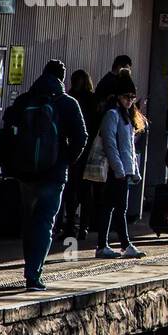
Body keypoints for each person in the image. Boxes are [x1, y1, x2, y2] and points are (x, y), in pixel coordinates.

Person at [2, 60, 88, 291]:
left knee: (29, 222)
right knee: (44, 222)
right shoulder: (68, 103)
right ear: (62, 78)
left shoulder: (24, 101)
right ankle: (33, 274)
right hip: (54, 174)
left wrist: (14, 162)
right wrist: (65, 161)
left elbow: (7, 128)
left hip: (25, 173)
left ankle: (29, 269)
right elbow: (81, 137)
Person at [96, 83, 146, 260]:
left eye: (132, 98)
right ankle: (123, 245)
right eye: (126, 97)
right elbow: (110, 144)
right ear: (118, 96)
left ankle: (105, 245)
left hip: (122, 169)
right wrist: (119, 168)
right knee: (118, 208)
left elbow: (129, 147)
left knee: (111, 207)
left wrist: (133, 170)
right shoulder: (112, 115)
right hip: (116, 169)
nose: (129, 101)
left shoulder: (126, 116)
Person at [58, 68, 96, 242]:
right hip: (87, 151)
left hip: (70, 151)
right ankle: (84, 226)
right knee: (86, 192)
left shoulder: (68, 99)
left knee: (70, 192)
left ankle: (69, 225)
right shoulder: (92, 100)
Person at [93, 55, 133, 134]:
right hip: (107, 122)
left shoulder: (109, 80)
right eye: (127, 68)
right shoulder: (110, 81)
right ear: (119, 67)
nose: (129, 72)